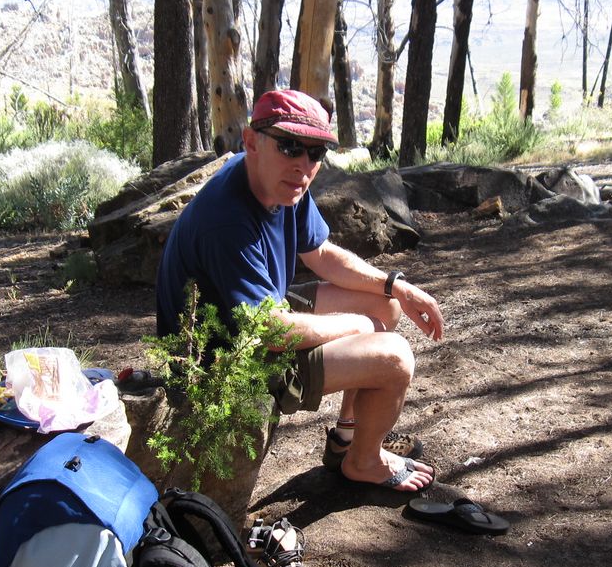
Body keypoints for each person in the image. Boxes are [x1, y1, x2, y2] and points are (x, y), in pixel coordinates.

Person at [156, 88, 444, 493]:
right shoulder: (226, 220)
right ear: (251, 141)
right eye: (289, 146)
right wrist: (359, 326)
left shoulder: (282, 182)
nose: (304, 165)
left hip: (255, 314)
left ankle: (348, 439)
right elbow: (271, 332)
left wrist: (394, 285)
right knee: (394, 357)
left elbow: (321, 254)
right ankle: (365, 463)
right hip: (227, 360)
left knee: (386, 306)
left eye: (315, 152)